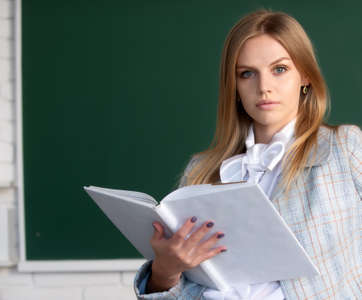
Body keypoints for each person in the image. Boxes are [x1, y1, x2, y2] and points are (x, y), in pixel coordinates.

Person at [133, 9, 361, 300]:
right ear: (235, 85)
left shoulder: (345, 148)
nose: (263, 87)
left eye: (279, 69)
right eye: (247, 74)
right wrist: (164, 272)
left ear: (304, 75)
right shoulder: (201, 170)